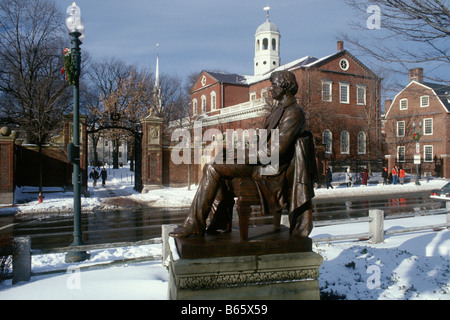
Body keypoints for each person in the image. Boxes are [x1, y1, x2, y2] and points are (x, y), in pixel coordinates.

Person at [170, 70, 317, 240]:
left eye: (274, 85)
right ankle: (219, 222)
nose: (270, 89)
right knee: (216, 161)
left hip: (274, 170)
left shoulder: (293, 113)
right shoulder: (280, 111)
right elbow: (262, 144)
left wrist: (241, 156)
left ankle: (194, 224)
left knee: (213, 168)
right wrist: (236, 152)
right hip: (266, 163)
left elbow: (274, 151)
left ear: (284, 87)